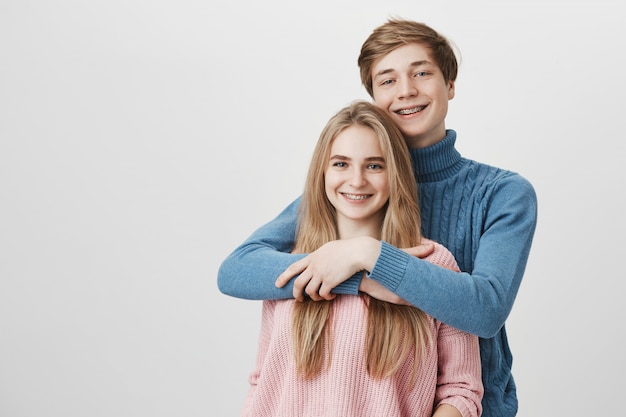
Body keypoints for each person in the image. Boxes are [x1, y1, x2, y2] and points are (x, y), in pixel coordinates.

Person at [218, 18, 537, 417]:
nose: (406, 90)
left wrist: (370, 254)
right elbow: (238, 269)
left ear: (450, 85)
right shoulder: (355, 188)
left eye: (422, 72)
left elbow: (485, 309)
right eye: (387, 81)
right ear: (374, 98)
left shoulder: (502, 194)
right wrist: (361, 278)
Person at [240, 100, 482, 417]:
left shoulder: (432, 263)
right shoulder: (293, 265)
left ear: (395, 173)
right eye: (341, 164)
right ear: (322, 172)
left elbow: (462, 391)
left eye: (374, 165)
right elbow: (263, 384)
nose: (356, 181)